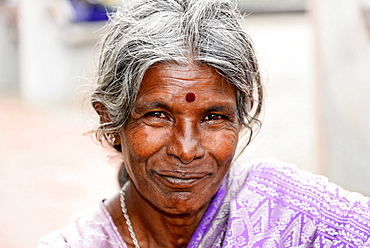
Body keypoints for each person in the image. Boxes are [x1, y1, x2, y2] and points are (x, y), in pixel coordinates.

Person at [38, 0, 370, 247]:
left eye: (213, 117)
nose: (185, 149)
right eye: (157, 115)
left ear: (241, 117)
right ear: (110, 120)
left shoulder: (287, 209)